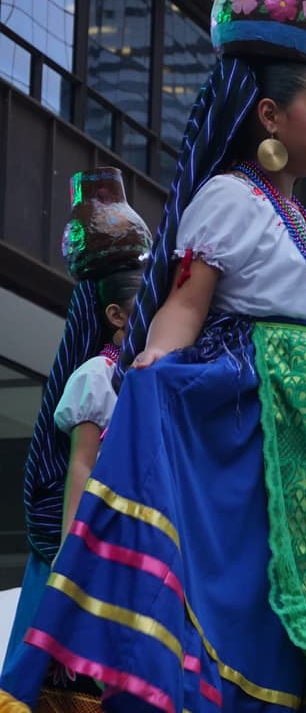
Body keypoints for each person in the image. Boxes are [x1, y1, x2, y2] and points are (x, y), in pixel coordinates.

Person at [0, 0, 306, 709]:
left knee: (302, 589)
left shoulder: (295, 214)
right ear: (270, 118)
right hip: (256, 421)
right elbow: (186, 304)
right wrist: (150, 370)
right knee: (251, 587)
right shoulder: (230, 199)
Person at [1, 167, 150, 707]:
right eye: (142, 311)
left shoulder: (147, 378)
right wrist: (72, 547)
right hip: (89, 537)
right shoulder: (96, 375)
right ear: (112, 314)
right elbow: (79, 466)